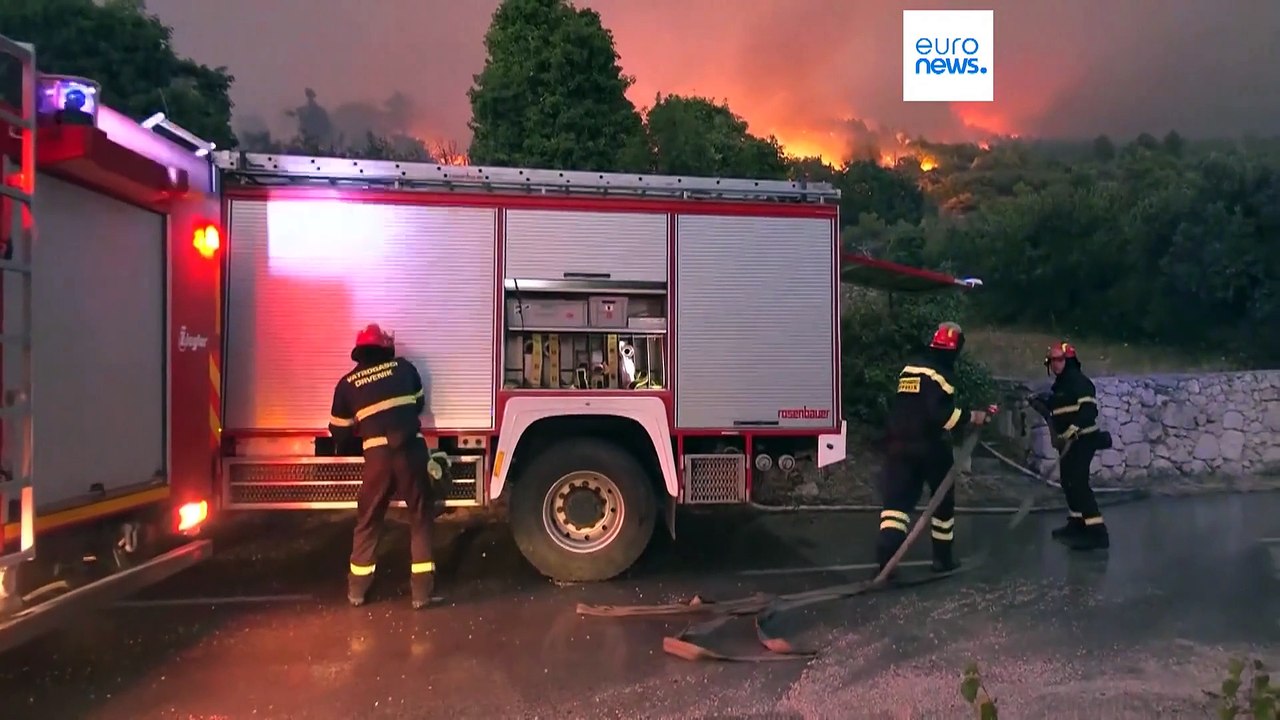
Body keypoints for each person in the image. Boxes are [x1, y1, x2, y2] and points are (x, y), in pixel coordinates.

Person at [328, 323, 440, 609]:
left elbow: (338, 431)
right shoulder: (405, 369)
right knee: (420, 517)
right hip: (411, 452)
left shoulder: (347, 384)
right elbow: (418, 403)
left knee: (368, 521)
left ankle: (357, 591)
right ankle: (421, 594)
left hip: (376, 459)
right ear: (386, 349)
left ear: (359, 353)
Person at [876, 321, 995, 577]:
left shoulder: (910, 368)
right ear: (955, 349)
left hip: (898, 444)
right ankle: (942, 559)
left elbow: (909, 407)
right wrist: (972, 417)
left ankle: (886, 561)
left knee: (896, 505)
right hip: (929, 447)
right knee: (942, 502)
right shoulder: (942, 374)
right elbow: (941, 415)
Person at [1041, 342, 1110, 551]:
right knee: (1068, 482)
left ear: (1069, 360)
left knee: (1079, 483)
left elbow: (1089, 411)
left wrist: (1074, 428)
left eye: (1059, 360)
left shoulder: (1080, 382)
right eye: (1052, 361)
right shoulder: (1060, 386)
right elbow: (1058, 409)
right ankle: (1077, 524)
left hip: (1083, 439)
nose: (1055, 365)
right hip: (1067, 442)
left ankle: (1097, 534)